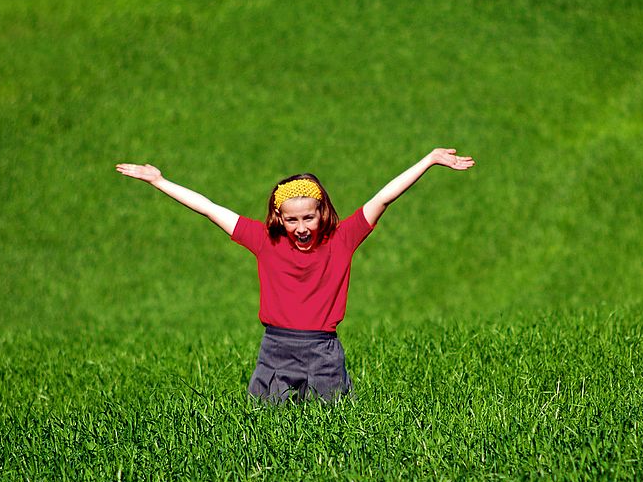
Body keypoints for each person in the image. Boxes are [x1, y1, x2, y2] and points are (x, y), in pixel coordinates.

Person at [115, 148, 475, 402]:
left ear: (323, 213)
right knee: (268, 429)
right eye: (292, 219)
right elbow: (210, 209)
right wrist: (159, 181)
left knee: (330, 428)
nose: (301, 227)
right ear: (278, 218)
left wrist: (428, 161)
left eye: (309, 217)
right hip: (275, 349)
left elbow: (383, 198)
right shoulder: (263, 240)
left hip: (323, 350)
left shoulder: (343, 240)